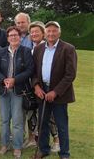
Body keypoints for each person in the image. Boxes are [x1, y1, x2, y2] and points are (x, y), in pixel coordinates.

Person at [32, 21, 77, 159]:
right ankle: (43, 149)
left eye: (54, 31)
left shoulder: (68, 48)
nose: (51, 34)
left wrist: (55, 92)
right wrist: (36, 86)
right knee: (42, 123)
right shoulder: (39, 49)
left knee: (61, 125)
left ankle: (64, 153)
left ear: (59, 33)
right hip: (42, 91)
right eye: (49, 31)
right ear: (45, 33)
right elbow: (33, 71)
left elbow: (70, 74)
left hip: (60, 93)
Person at [0, 26, 34, 159]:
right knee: (4, 120)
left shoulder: (26, 51)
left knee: (17, 121)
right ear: (8, 38)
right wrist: (3, 80)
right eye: (10, 35)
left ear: (19, 37)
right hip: (3, 91)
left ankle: (17, 147)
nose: (13, 37)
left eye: (15, 35)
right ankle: (4, 145)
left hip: (18, 91)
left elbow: (29, 70)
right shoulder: (2, 52)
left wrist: (15, 80)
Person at [29, 21, 60, 152]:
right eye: (32, 32)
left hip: (46, 87)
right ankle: (34, 140)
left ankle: (56, 141)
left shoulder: (46, 47)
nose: (34, 34)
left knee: (50, 115)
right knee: (33, 113)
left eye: (37, 31)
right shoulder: (32, 48)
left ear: (43, 34)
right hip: (32, 86)